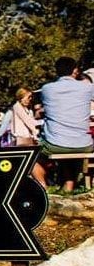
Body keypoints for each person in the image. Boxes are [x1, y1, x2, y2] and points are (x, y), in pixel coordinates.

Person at [37, 57, 94, 193]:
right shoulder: (88, 87)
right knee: (69, 147)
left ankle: (43, 187)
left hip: (55, 144)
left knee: (31, 156)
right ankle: (69, 186)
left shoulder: (47, 89)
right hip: (84, 144)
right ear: (75, 70)